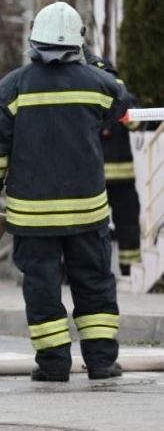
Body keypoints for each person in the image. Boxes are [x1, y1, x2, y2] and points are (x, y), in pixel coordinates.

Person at [0, 1, 130, 382]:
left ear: (33, 40)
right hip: (87, 214)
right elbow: (121, 99)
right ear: (78, 41)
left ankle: (54, 365)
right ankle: (102, 362)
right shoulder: (98, 84)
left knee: (41, 290)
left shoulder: (11, 88)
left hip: (32, 217)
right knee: (94, 284)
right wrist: (95, 63)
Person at [82, 45, 143, 276]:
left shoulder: (96, 97)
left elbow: (139, 122)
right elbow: (138, 123)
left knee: (109, 227)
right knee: (109, 227)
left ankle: (127, 272)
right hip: (106, 179)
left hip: (100, 179)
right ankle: (124, 272)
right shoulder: (116, 96)